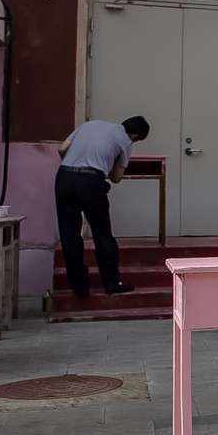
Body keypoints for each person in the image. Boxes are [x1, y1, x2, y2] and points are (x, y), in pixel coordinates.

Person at [54, 115, 149, 298]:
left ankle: (80, 288)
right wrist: (103, 167)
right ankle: (111, 282)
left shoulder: (89, 125)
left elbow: (62, 149)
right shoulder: (125, 140)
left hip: (64, 178)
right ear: (135, 136)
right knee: (102, 233)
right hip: (91, 183)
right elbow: (116, 178)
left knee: (69, 235)